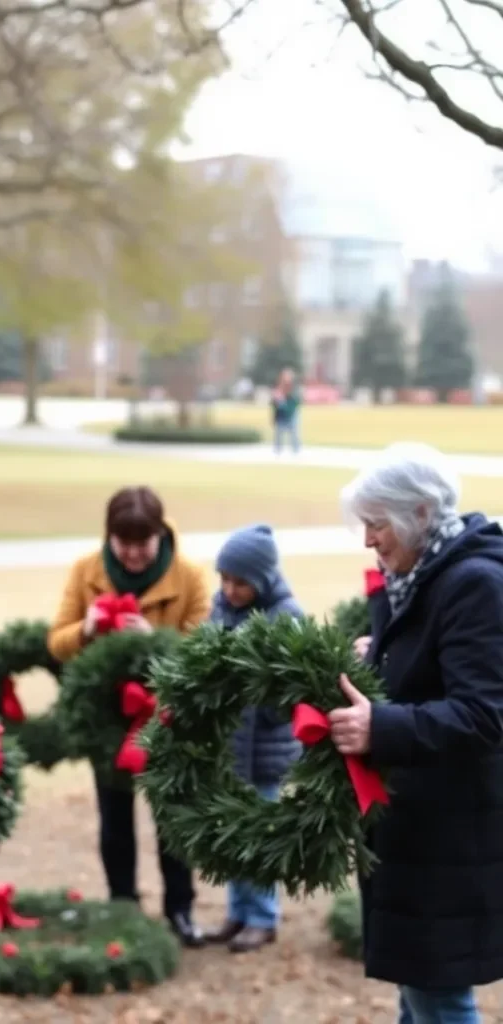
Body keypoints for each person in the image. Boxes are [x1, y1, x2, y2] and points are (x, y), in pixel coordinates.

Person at [332, 442, 503, 1024]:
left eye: (377, 524)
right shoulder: (415, 576)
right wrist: (377, 655)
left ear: (422, 514)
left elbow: (484, 716)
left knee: (439, 997)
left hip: (450, 837)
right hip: (415, 830)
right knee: (419, 991)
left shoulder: (474, 584)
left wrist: (379, 726)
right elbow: (429, 670)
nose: (368, 540)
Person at [47, 485, 211, 947]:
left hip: (167, 717)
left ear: (160, 535)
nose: (136, 555)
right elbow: (56, 641)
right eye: (125, 545)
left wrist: (154, 640)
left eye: (145, 545)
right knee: (114, 819)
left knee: (173, 818)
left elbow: (203, 651)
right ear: (109, 538)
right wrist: (88, 628)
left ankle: (180, 909)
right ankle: (124, 907)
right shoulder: (85, 571)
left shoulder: (190, 576)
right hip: (107, 719)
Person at [203, 524, 302, 953]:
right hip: (228, 746)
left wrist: (251, 691)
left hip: (264, 749)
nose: (230, 589)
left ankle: (263, 916)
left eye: (240, 582)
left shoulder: (286, 616)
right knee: (231, 832)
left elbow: (292, 692)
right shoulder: (220, 608)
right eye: (224, 579)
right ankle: (238, 911)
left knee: (258, 834)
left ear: (261, 580)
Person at [271, 367, 301, 454]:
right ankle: (277, 451)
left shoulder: (294, 390)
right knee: (278, 434)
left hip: (291, 414)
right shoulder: (278, 389)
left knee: (294, 433)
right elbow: (274, 405)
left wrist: (283, 402)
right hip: (281, 416)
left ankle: (296, 451)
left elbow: (295, 403)